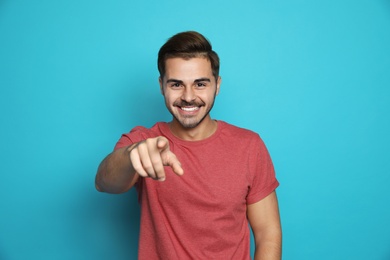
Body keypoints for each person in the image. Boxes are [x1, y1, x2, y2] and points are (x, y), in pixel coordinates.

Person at [95, 31, 282, 260]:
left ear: (217, 85)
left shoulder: (250, 146)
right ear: (161, 85)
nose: (189, 97)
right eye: (176, 84)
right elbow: (104, 181)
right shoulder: (143, 141)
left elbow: (267, 234)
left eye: (200, 84)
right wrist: (133, 156)